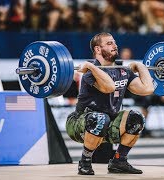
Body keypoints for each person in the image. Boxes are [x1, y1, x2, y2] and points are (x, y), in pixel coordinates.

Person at [66, 32, 154, 175]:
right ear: (97, 50)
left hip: (108, 123)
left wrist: (140, 66)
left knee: (137, 118)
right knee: (101, 119)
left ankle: (119, 161)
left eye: (114, 42)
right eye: (109, 43)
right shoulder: (90, 73)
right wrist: (92, 66)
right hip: (79, 124)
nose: (114, 45)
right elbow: (109, 87)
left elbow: (147, 89)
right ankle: (85, 162)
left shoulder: (122, 71)